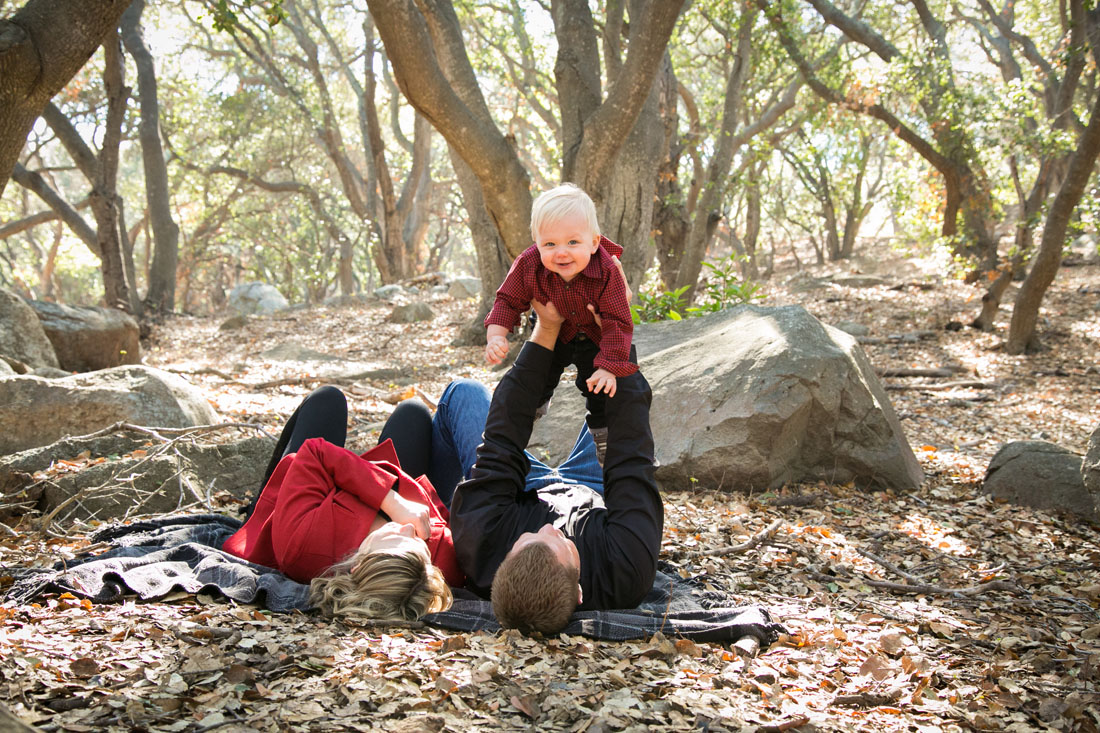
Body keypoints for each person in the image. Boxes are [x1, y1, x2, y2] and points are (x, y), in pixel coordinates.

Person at [452, 298, 663, 635]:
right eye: (562, 543)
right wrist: (608, 330)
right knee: (626, 411)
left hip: (526, 486)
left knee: (464, 393)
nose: (551, 528)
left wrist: (546, 331)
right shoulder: (625, 569)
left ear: (502, 563)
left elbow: (501, 440)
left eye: (530, 536)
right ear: (579, 591)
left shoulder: (482, 547)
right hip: (597, 492)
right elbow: (631, 459)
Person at [223, 386, 468, 623]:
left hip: (298, 503)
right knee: (413, 413)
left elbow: (315, 453)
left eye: (395, 536)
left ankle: (255, 508)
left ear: (358, 563)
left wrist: (392, 503)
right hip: (380, 488)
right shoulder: (440, 565)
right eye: (417, 544)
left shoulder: (302, 542)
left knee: (327, 400)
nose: (407, 529)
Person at [484, 183, 637, 464]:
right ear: (536, 242)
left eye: (573, 242)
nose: (561, 253)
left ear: (593, 242)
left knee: (597, 386)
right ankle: (535, 402)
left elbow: (617, 320)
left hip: (594, 334)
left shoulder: (606, 269)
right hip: (552, 331)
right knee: (540, 371)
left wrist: (609, 366)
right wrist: (497, 335)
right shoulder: (529, 263)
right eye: (550, 244)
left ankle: (603, 435)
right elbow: (507, 299)